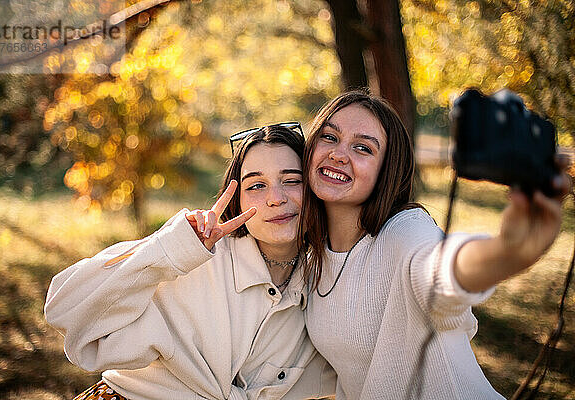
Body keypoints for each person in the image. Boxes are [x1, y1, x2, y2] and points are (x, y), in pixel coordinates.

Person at [299, 90, 571, 399]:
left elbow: (441, 268)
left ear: (386, 171)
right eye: (329, 137)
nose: (338, 153)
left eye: (363, 148)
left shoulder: (404, 232)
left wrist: (508, 251)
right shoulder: (311, 260)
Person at [44, 124, 335, 400]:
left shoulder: (324, 279)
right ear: (237, 201)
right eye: (256, 186)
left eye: (292, 181)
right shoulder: (194, 253)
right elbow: (64, 310)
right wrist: (167, 250)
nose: (276, 198)